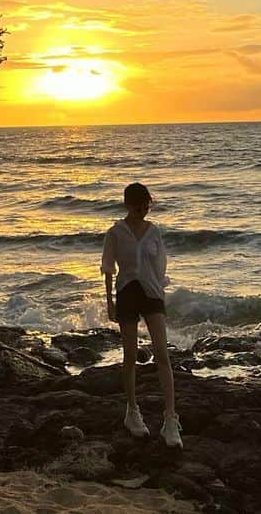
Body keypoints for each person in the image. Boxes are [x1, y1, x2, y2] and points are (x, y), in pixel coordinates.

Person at [101, 181, 182, 445]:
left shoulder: (153, 231)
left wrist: (160, 290)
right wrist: (110, 302)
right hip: (127, 293)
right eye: (138, 206)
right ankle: (132, 411)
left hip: (151, 293)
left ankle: (171, 419)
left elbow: (160, 264)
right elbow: (108, 268)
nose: (143, 210)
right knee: (130, 355)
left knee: (161, 352)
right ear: (127, 205)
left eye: (146, 205)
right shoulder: (115, 232)